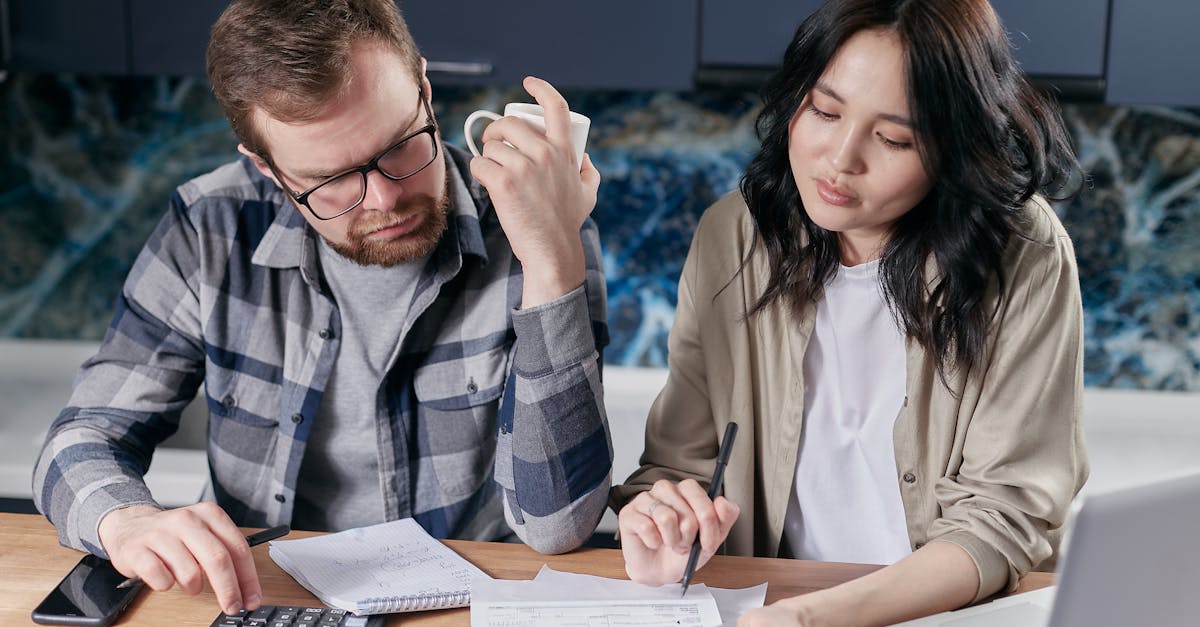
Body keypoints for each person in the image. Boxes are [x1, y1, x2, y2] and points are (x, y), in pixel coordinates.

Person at [32, 0, 612, 617]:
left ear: (423, 87)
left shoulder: (536, 222)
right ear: (267, 168)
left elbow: (559, 525)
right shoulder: (210, 226)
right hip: (262, 601)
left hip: (459, 608)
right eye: (331, 180)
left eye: (399, 146)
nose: (385, 198)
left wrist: (551, 261)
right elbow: (84, 437)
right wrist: (124, 521)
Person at [611, 0, 1088, 624]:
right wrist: (663, 524)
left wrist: (817, 617)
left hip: (946, 613)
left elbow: (1004, 517)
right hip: (772, 604)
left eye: (893, 138)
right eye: (824, 111)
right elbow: (682, 464)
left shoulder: (1025, 253)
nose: (840, 159)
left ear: (954, 146)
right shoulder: (733, 235)